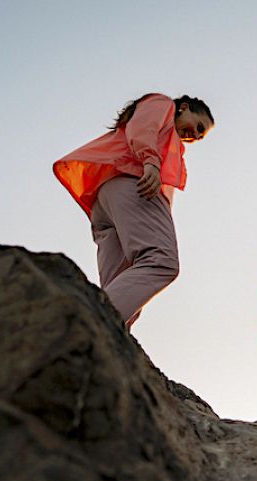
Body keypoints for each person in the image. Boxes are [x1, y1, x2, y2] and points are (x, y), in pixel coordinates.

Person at [54, 93, 214, 327]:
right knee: (161, 261)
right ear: (185, 107)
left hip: (110, 200)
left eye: (201, 136)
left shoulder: (172, 144)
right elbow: (142, 128)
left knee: (124, 288)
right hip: (133, 186)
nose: (196, 135)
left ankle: (97, 342)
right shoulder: (163, 105)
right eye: (199, 126)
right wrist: (150, 161)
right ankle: (83, 324)